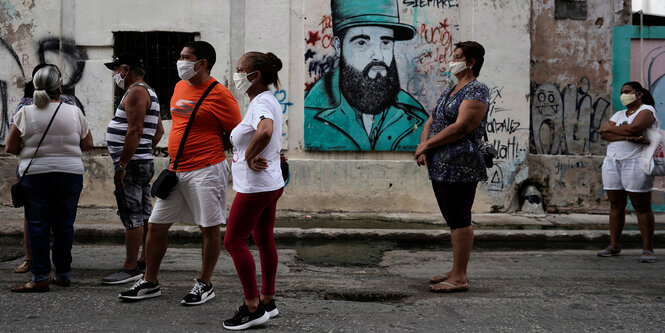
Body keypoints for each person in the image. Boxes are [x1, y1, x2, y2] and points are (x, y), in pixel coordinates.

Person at [119, 41, 242, 304]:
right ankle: (150, 281)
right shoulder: (179, 87)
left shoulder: (220, 94)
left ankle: (204, 283)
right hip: (176, 169)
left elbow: (237, 132)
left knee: (208, 227)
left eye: (186, 57)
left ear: (202, 63)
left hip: (207, 169)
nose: (180, 61)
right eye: (180, 56)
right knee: (156, 225)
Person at [6, 65, 94, 292]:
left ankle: (40, 277)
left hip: (36, 176)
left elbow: (10, 146)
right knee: (65, 225)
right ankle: (63, 274)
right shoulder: (74, 111)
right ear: (60, 87)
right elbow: (88, 144)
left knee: (38, 225)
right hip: (70, 174)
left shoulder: (25, 113)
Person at [414, 41, 489, 293]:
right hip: (441, 164)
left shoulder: (476, 90)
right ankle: (456, 269)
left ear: (471, 62)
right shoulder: (451, 88)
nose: (451, 61)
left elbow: (463, 127)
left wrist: (427, 146)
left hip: (461, 164)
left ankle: (460, 277)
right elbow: (432, 118)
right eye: (452, 56)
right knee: (452, 217)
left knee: (460, 219)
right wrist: (425, 145)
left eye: (457, 57)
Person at [304, 0, 428, 151]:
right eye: (362, 43)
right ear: (338, 46)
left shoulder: (416, 116)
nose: (378, 56)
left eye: (386, 42)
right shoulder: (311, 113)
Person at [222, 52, 285, 330]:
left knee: (233, 241)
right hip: (270, 184)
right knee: (262, 237)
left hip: (255, 186)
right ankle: (267, 301)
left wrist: (249, 156)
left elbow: (266, 130)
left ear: (254, 76)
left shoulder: (261, 102)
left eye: (239, 69)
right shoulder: (268, 100)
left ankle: (252, 307)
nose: (235, 74)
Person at [102, 53, 164, 284]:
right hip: (141, 160)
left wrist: (123, 164)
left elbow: (135, 130)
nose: (114, 74)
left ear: (126, 70)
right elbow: (158, 131)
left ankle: (130, 268)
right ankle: (144, 260)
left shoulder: (136, 91)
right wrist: (145, 150)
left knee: (132, 215)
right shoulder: (149, 91)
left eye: (116, 69)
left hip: (133, 164)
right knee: (144, 214)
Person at [597, 82, 658, 263]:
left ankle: (648, 249)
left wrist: (615, 130)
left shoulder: (647, 110)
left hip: (636, 162)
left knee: (641, 206)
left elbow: (635, 128)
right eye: (622, 92)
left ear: (638, 94)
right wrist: (626, 136)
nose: (623, 95)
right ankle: (614, 244)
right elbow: (603, 133)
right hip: (613, 161)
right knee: (616, 204)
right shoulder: (619, 114)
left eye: (627, 92)